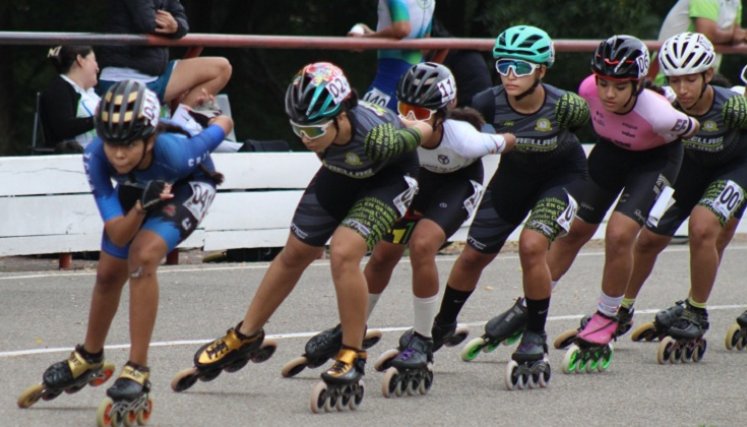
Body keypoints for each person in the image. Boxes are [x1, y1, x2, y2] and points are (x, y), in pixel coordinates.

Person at [170, 62, 432, 412]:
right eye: (298, 129)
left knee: (343, 251)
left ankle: (352, 354)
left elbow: (424, 131)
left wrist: (420, 126)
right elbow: (319, 140)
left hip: (390, 177)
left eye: (313, 129)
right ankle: (246, 335)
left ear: (341, 116)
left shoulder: (376, 137)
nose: (306, 138)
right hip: (342, 170)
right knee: (294, 253)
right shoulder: (323, 130)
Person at [17, 80, 233, 424]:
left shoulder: (174, 151)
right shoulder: (95, 156)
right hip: (140, 190)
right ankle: (89, 355)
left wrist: (209, 117)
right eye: (111, 143)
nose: (118, 154)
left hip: (186, 184)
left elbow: (224, 126)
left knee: (143, 258)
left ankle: (138, 368)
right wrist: (138, 209)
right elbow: (117, 232)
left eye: (129, 143)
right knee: (106, 275)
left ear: (149, 137)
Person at [422, 25, 590, 389]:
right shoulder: (486, 101)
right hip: (514, 179)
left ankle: (534, 334)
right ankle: (440, 327)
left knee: (532, 245)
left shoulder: (566, 106)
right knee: (471, 256)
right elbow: (460, 140)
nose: (510, 75)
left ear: (542, 71)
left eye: (521, 67)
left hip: (563, 177)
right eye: (503, 65)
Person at [544, 35, 700, 373]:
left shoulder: (658, 113)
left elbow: (693, 126)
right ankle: (533, 300)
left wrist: (673, 104)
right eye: (604, 83)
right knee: (573, 230)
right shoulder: (587, 89)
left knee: (619, 234)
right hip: (611, 152)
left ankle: (607, 315)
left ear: (639, 83)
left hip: (655, 161)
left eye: (619, 86)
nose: (608, 94)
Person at [354, 62, 515, 392]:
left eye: (421, 113)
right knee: (383, 254)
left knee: (422, 245)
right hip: (421, 183)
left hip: (458, 186)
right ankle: (353, 331)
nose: (410, 120)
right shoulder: (396, 128)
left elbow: (508, 140)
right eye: (404, 109)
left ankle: (423, 340)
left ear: (444, 113)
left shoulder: (466, 140)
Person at [622, 33, 747, 363]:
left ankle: (696, 311)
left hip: (735, 169)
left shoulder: (734, 108)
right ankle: (620, 308)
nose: (683, 89)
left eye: (690, 79)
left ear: (708, 75)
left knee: (704, 228)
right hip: (691, 170)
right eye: (675, 80)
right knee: (648, 239)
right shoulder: (666, 105)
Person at [97, 0, 232, 108]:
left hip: (154, 78)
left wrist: (175, 26)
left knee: (221, 67)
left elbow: (182, 21)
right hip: (121, 81)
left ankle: (183, 125)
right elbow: (147, 23)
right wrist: (172, 27)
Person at [347, 0, 435, 111]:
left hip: (389, 80)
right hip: (416, 79)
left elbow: (401, 29)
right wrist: (370, 35)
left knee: (364, 122)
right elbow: (425, 45)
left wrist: (364, 39)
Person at [653, 0, 747, 83]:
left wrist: (736, 35)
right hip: (670, 76)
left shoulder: (736, 2)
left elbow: (737, 34)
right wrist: (734, 35)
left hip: (704, 77)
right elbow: (706, 35)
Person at [39, 45, 100, 152]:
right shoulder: (58, 90)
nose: (97, 68)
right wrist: (98, 120)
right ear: (81, 60)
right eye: (94, 60)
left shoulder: (90, 93)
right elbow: (63, 127)